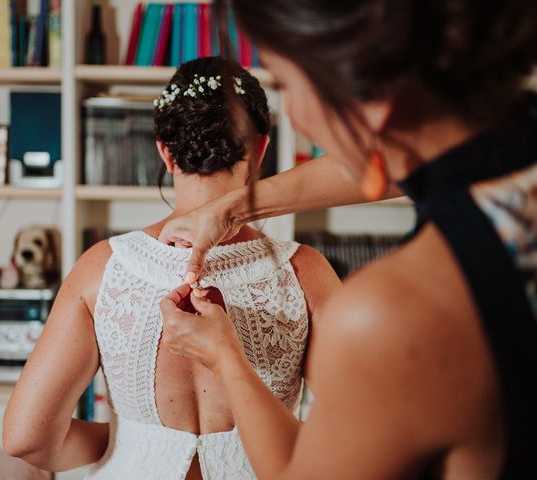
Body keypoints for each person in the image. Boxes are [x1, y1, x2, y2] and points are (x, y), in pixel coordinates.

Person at [159, 1, 537, 479]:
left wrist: (226, 357)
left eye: (287, 84)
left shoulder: (390, 315)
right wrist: (232, 207)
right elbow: (400, 153)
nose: (295, 113)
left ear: (371, 96)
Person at [2, 56, 340, 479]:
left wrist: (126, 439)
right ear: (261, 151)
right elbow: (360, 428)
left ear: (164, 150)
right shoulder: (305, 272)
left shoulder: (100, 268)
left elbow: (25, 438)